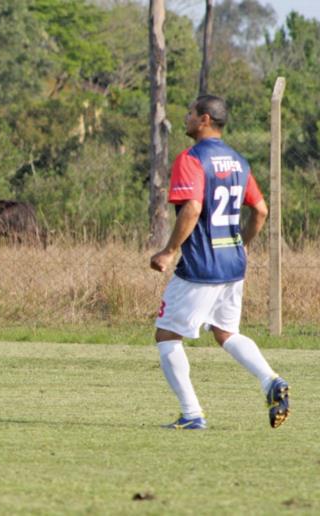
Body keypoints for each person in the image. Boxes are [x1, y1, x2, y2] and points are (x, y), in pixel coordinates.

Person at [150, 95, 289, 430]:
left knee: (166, 334)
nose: (186, 118)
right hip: (232, 265)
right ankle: (270, 380)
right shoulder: (239, 161)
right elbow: (261, 210)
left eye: (191, 114)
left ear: (205, 120)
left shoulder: (192, 159)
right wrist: (241, 247)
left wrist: (168, 251)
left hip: (201, 266)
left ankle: (192, 413)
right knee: (226, 332)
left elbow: (193, 208)